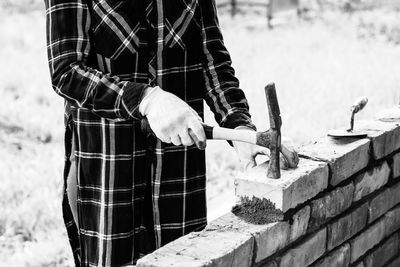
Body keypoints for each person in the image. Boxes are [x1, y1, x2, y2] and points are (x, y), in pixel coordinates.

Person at [45, 0, 291, 265]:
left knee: (183, 258)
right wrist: (147, 99)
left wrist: (239, 127)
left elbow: (212, 59)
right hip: (107, 170)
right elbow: (67, 72)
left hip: (177, 173)